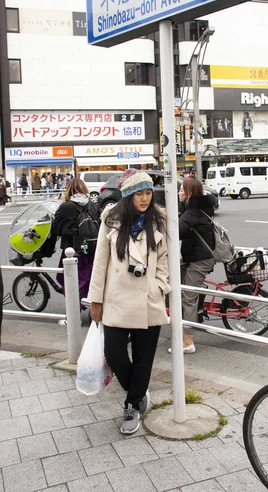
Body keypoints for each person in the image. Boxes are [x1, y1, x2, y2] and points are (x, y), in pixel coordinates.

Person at [88, 169, 170, 435]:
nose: (145, 199)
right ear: (127, 196)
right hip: (116, 300)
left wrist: (159, 287)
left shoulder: (159, 220)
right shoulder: (110, 221)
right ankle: (137, 390)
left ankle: (132, 404)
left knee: (144, 359)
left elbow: (165, 262)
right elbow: (100, 262)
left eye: (148, 193)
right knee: (114, 353)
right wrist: (95, 300)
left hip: (148, 300)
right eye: (139, 194)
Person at [173, 178, 216, 354]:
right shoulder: (195, 207)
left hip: (201, 259)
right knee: (175, 283)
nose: (178, 192)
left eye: (181, 190)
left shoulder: (192, 213)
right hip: (194, 256)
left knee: (188, 296)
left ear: (189, 193)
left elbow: (174, 232)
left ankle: (188, 342)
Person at [52, 178, 99, 311]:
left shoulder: (65, 207)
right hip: (92, 248)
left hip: (73, 251)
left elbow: (56, 229)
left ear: (69, 190)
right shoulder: (94, 204)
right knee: (88, 279)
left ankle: (74, 313)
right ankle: (90, 306)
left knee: (70, 281)